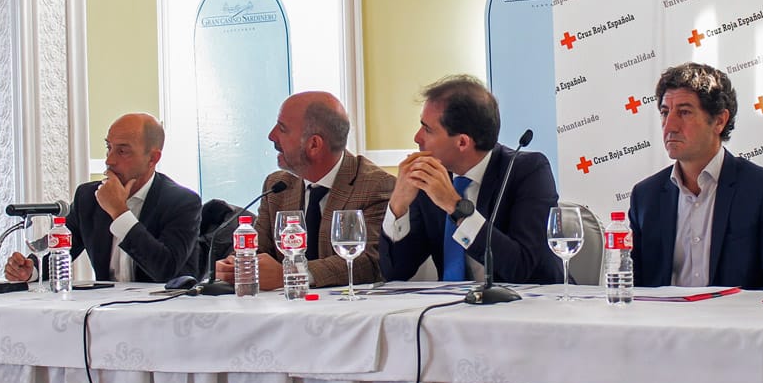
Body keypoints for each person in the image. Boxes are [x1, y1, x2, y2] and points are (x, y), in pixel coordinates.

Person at [629, 63, 763, 290]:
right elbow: (634, 288)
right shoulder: (645, 196)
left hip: (738, 313)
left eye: (684, 112)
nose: (669, 126)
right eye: (665, 112)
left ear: (719, 120)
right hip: (663, 314)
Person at [381, 75, 562, 284]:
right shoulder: (430, 177)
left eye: (428, 129)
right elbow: (395, 272)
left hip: (531, 301)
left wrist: (455, 206)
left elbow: (521, 268)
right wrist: (398, 206)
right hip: (451, 303)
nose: (417, 137)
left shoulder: (528, 171)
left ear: (462, 142)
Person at [215, 91, 395, 290]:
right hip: (287, 306)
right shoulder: (277, 186)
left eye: (282, 129)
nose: (271, 136)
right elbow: (258, 249)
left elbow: (369, 262)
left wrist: (293, 274)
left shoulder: (376, 185)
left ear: (314, 144)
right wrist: (236, 265)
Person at [5, 113, 201, 283]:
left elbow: (165, 270)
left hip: (165, 310)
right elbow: (61, 246)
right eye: (109, 147)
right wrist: (31, 270)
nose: (109, 160)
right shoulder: (88, 197)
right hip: (105, 309)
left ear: (153, 158)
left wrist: (119, 213)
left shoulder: (182, 202)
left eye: (122, 151)